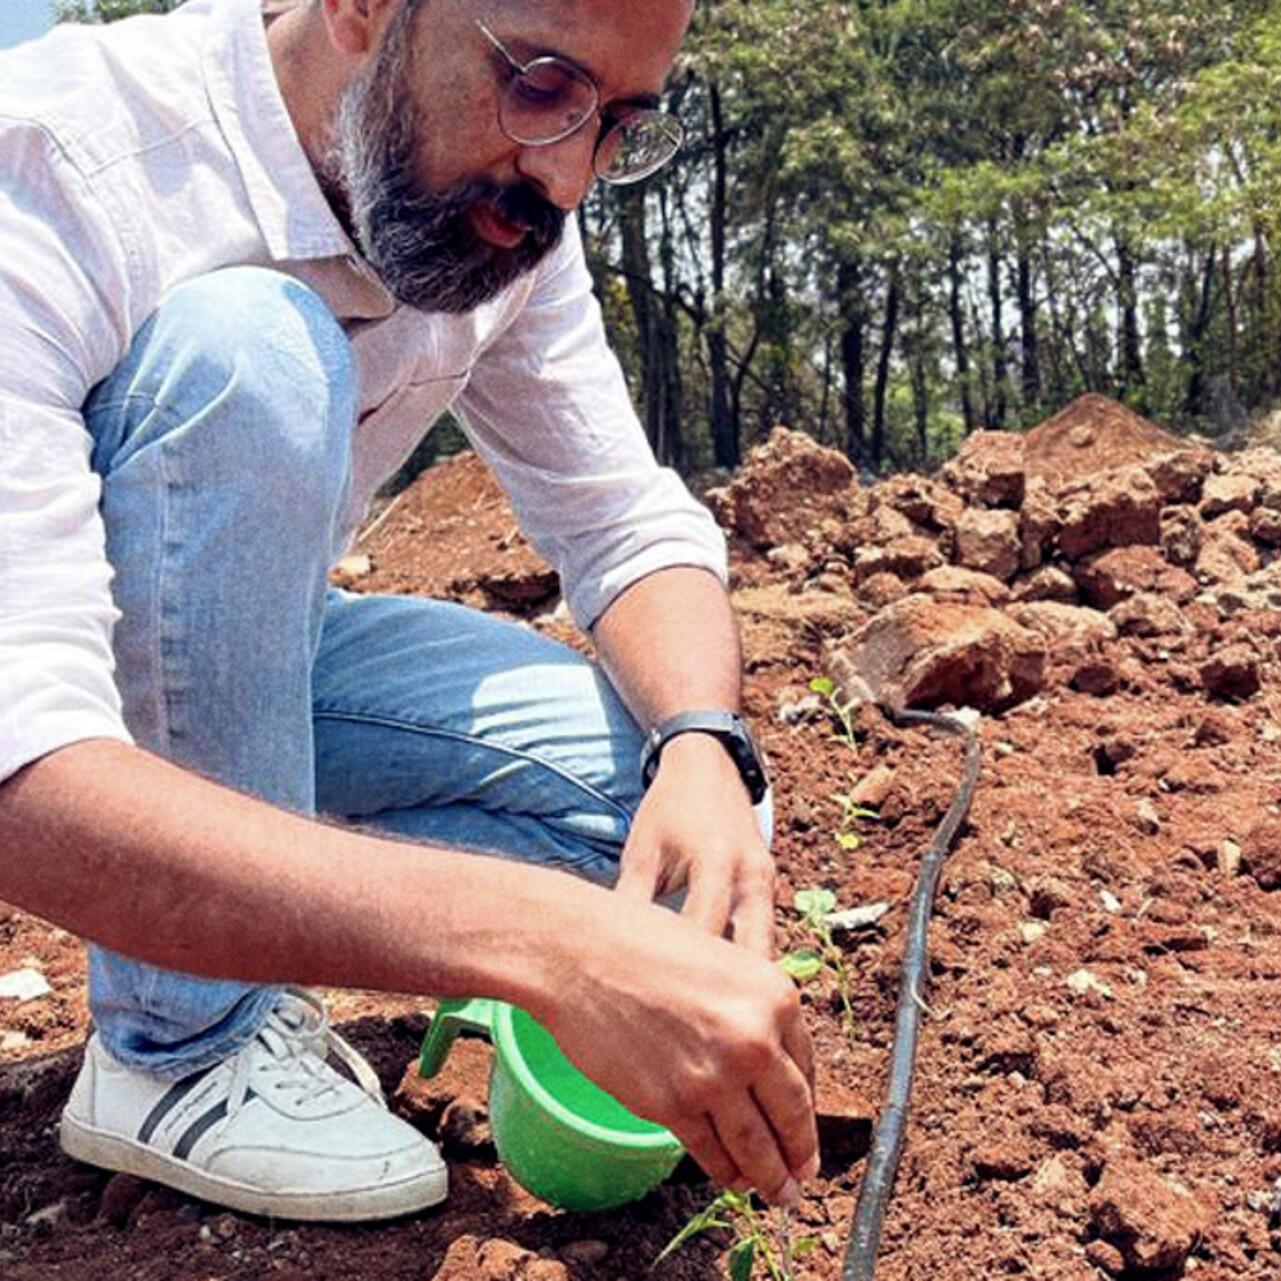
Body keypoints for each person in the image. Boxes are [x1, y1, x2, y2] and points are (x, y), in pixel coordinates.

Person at [0, 0, 819, 1224]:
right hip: (48, 673)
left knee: (656, 824)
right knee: (249, 349)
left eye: (618, 125)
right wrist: (539, 944)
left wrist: (705, 741)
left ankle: (310, 926)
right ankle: (179, 1048)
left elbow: (622, 523)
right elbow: (21, 774)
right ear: (361, 9)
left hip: (235, 639)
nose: (568, 178)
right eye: (541, 85)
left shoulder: (500, 209)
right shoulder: (58, 163)